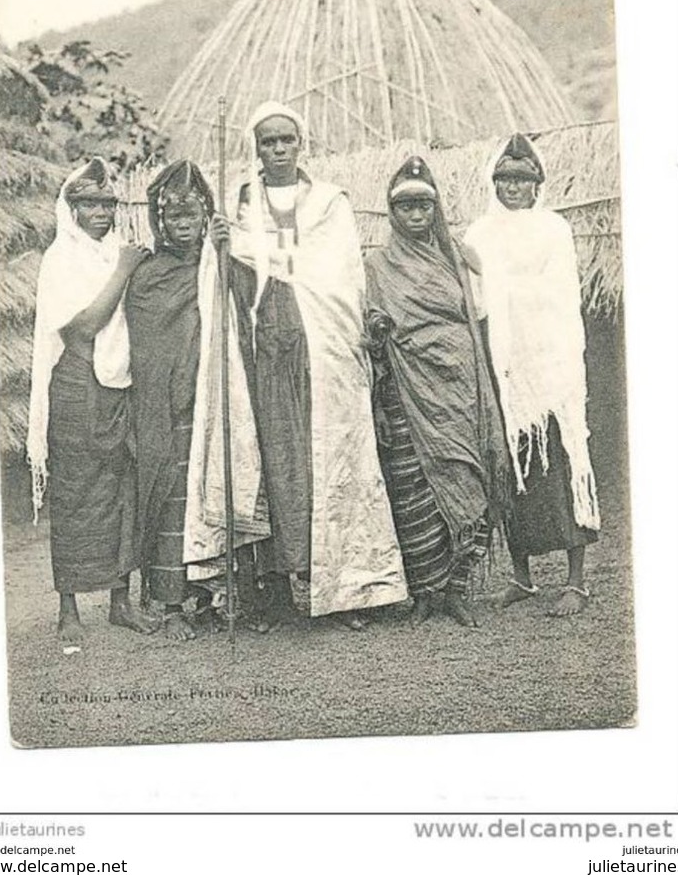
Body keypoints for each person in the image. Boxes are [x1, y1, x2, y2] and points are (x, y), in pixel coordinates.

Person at [209, 100, 408, 630]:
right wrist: (228, 245)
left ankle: (350, 591)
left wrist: (253, 247)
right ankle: (276, 594)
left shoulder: (329, 203)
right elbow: (234, 281)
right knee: (278, 466)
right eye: (268, 142)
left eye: (286, 141)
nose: (278, 150)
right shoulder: (242, 203)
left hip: (325, 351)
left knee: (337, 460)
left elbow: (336, 272)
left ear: (302, 145)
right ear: (255, 148)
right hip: (268, 352)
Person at [364, 156, 510, 627]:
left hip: (460, 387)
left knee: (468, 476)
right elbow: (371, 327)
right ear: (392, 213)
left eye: (423, 206)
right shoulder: (377, 264)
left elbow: (481, 316)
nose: (415, 216)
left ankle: (458, 589)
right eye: (405, 208)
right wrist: (378, 328)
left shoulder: (458, 258)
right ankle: (426, 592)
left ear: (435, 208)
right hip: (407, 390)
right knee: (413, 489)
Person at [464, 133, 600, 617]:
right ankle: (521, 577)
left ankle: (576, 580)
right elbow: (475, 298)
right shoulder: (478, 234)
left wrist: (506, 288)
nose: (511, 187)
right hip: (504, 365)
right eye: (503, 178)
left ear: (537, 183)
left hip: (549, 366)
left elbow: (561, 293)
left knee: (562, 464)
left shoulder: (553, 230)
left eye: (521, 179)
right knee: (509, 470)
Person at [27, 157, 156, 647]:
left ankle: (121, 602)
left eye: (108, 203)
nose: (102, 212)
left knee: (121, 490)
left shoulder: (117, 253)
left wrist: (126, 265)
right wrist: (124, 271)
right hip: (77, 387)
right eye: (90, 203)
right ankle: (69, 608)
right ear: (72, 207)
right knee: (77, 493)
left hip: (119, 384)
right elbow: (82, 326)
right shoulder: (61, 258)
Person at [125, 161, 219, 640]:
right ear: (159, 222)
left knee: (215, 495)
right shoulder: (149, 276)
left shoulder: (219, 265)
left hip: (218, 402)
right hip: (173, 408)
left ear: (206, 214)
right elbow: (148, 353)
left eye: (192, 214)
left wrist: (226, 254)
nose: (183, 223)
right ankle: (171, 603)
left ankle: (211, 595)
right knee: (174, 500)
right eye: (173, 216)